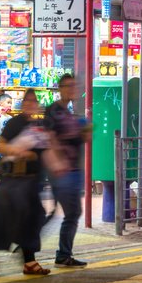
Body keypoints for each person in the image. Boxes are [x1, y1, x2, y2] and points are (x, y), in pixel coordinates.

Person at [0, 89, 51, 276]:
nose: (31, 105)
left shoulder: (39, 125)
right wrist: (21, 152)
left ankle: (28, 260)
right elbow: (1, 146)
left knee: (33, 218)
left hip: (31, 182)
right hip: (14, 182)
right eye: (27, 102)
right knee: (15, 220)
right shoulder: (15, 123)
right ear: (22, 105)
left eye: (34, 102)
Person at [43, 73, 90, 268]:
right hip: (62, 172)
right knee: (72, 213)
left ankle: (61, 253)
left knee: (63, 213)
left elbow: (78, 139)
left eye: (74, 85)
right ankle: (61, 254)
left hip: (72, 171)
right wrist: (58, 163)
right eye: (68, 85)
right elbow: (50, 137)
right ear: (60, 88)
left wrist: (85, 132)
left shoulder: (70, 113)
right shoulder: (54, 110)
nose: (72, 89)